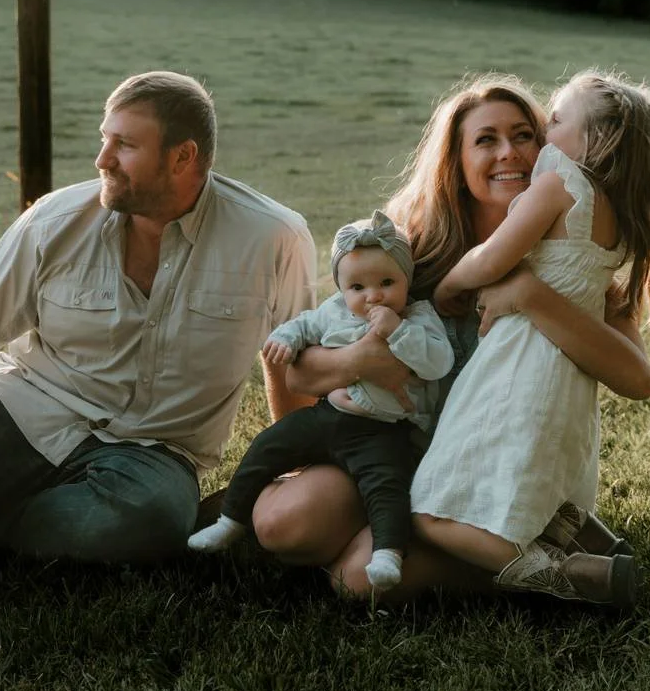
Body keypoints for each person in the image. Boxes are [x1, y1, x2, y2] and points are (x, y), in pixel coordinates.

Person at [0, 71, 317, 563]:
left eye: (124, 144)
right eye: (104, 139)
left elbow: (292, 360)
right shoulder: (57, 219)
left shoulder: (275, 238)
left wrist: (292, 473)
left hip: (153, 451)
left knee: (137, 527)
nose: (102, 159)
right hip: (22, 408)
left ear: (183, 156)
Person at [251, 75, 650, 602]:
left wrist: (531, 295)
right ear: (456, 160)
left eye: (524, 135)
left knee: (353, 580)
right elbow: (294, 366)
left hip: (498, 475)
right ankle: (409, 533)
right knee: (286, 523)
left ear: (554, 146)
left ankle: (540, 564)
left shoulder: (578, 269)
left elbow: (637, 377)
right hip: (394, 453)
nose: (508, 152)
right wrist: (366, 360)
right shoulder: (408, 254)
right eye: (485, 140)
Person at [414, 70, 650, 604]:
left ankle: (561, 575)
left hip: (519, 369)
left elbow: (495, 258)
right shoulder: (608, 217)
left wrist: (453, 285)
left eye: (547, 124)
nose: (526, 145)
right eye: (486, 139)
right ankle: (571, 533)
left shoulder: (560, 182)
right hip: (566, 388)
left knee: (430, 510)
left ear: (593, 142)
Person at [188, 211, 453, 590]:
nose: (373, 295)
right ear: (342, 289)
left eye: (387, 283)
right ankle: (229, 522)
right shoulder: (335, 311)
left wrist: (397, 332)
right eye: (357, 287)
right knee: (268, 445)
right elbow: (304, 325)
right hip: (328, 416)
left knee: (386, 485)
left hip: (380, 431)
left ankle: (388, 555)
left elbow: (438, 362)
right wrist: (286, 339)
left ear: (407, 281)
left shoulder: (417, 317)